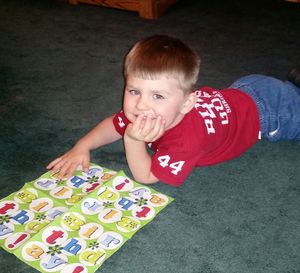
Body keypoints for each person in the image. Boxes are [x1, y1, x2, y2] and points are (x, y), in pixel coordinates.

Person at [47, 35, 300, 187]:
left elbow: (145, 175)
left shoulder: (187, 140)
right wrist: (83, 145)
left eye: (157, 96)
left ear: (187, 103)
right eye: (134, 91)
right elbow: (115, 123)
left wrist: (133, 140)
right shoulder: (146, 112)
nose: (141, 105)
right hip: (246, 88)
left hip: (272, 112)